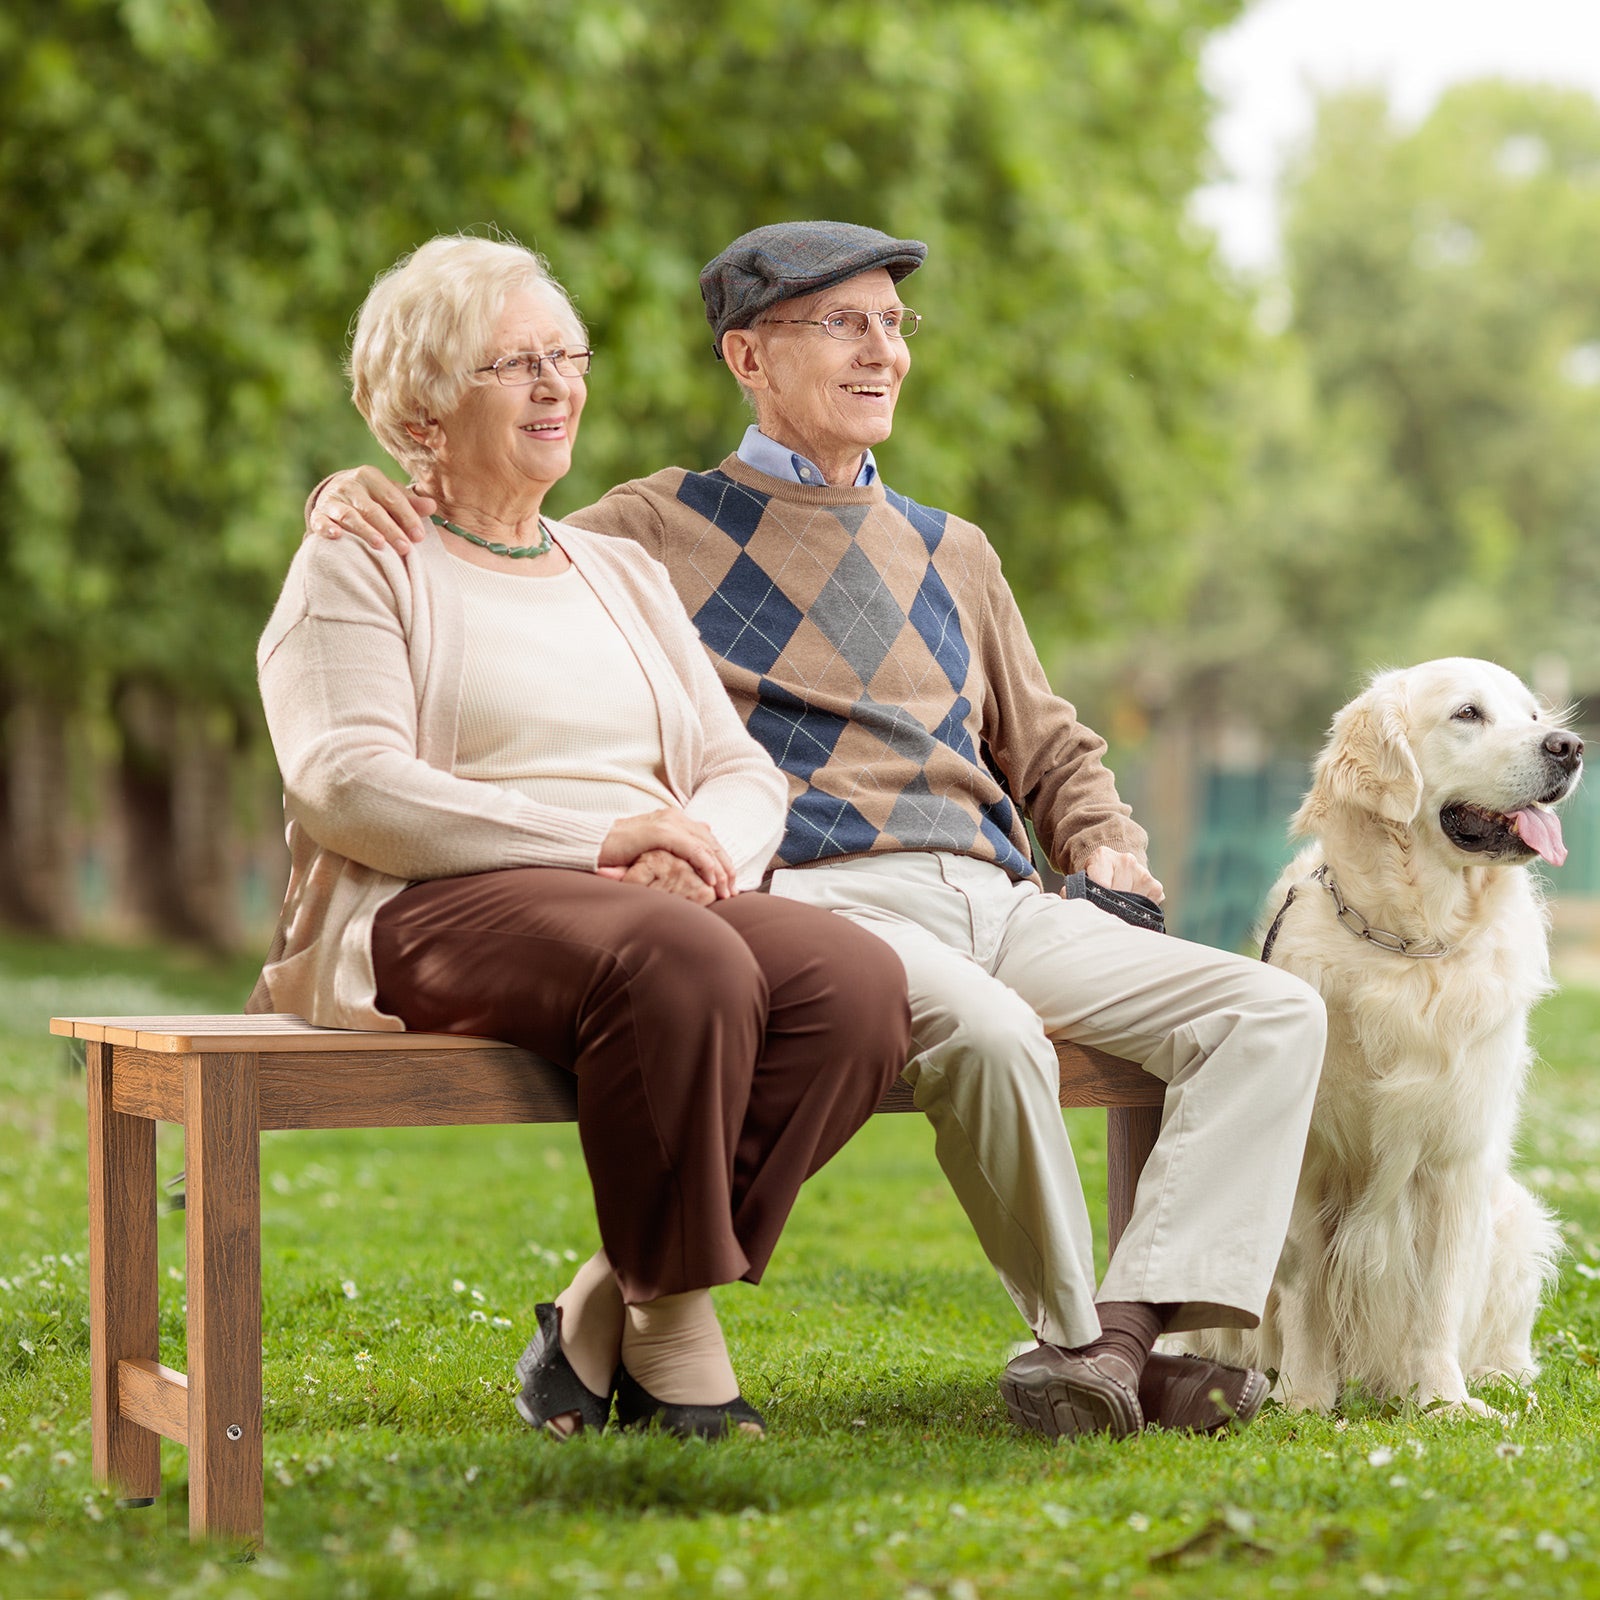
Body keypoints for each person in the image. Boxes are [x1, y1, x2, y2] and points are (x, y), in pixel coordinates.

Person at [305, 221, 1328, 1442]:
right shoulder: (654, 528)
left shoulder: (957, 551)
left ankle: (1123, 1333)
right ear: (747, 356)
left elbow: (1050, 744)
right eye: (842, 322)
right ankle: (1087, 1347)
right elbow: (489, 519)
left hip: (995, 891)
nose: (881, 350)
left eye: (893, 324)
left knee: (1270, 1011)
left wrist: (1103, 837)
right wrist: (351, 485)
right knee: (990, 1040)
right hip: (815, 889)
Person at [253, 232, 911, 1442]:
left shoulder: (617, 570)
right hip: (441, 900)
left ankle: (606, 1295)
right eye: (517, 363)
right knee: (686, 960)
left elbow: (734, 766)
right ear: (426, 401)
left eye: (568, 355)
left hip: (651, 893)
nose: (559, 384)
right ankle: (675, 1331)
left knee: (857, 982)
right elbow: (346, 783)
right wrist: (603, 840)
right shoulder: (358, 560)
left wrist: (692, 845)